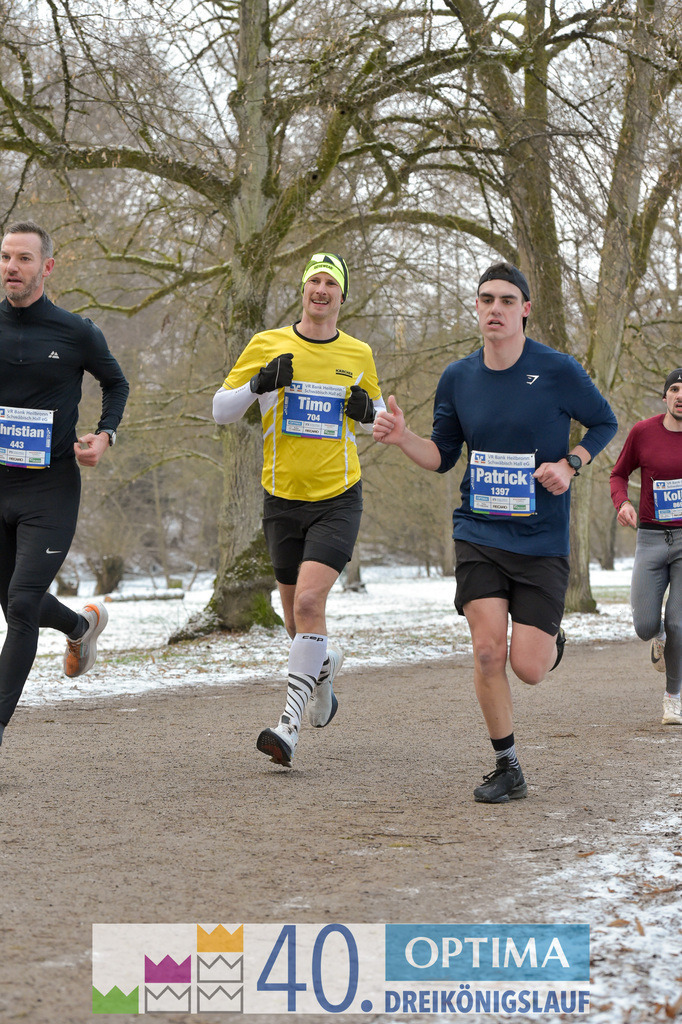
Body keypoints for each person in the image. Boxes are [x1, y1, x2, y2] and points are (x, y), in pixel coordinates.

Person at [373, 261, 617, 803]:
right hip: (479, 531)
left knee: (527, 667)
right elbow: (442, 456)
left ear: (525, 309)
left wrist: (571, 463)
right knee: (487, 652)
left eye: (507, 300)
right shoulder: (458, 378)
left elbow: (604, 421)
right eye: (486, 300)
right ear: (477, 308)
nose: (495, 309)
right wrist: (403, 438)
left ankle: (548, 638)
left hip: (541, 538)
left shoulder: (556, 370)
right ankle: (507, 766)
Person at [213, 253, 385, 767]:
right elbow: (221, 411)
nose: (322, 289)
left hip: (337, 497)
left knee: (310, 605)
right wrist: (258, 384)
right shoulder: (267, 344)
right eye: (315, 280)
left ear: (341, 295)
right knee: (296, 622)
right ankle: (324, 669)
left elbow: (379, 421)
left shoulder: (358, 353)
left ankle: (288, 727)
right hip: (281, 500)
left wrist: (367, 413)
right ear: (303, 289)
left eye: (332, 281)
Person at [0, 221, 129, 753]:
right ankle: (80, 624)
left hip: (49, 489)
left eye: (25, 259)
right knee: (13, 604)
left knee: (23, 603)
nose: (12, 267)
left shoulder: (76, 332)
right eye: (6, 257)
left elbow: (116, 383)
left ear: (47, 267)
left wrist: (105, 436)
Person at [610, 369, 682, 726]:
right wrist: (622, 503)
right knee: (645, 624)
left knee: (680, 622)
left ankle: (673, 698)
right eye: (675, 389)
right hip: (651, 538)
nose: (681, 395)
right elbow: (618, 473)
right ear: (665, 395)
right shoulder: (643, 432)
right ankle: (659, 637)